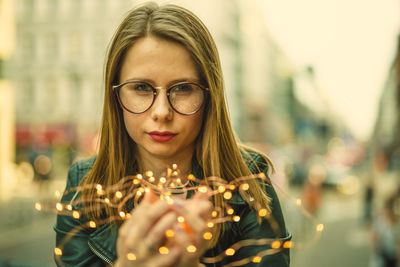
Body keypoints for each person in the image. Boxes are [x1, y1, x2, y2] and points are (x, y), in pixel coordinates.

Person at [54, 2, 291, 267]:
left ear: (209, 95)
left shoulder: (248, 179)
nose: (162, 112)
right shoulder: (84, 186)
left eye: (183, 88)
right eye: (142, 87)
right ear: (115, 95)